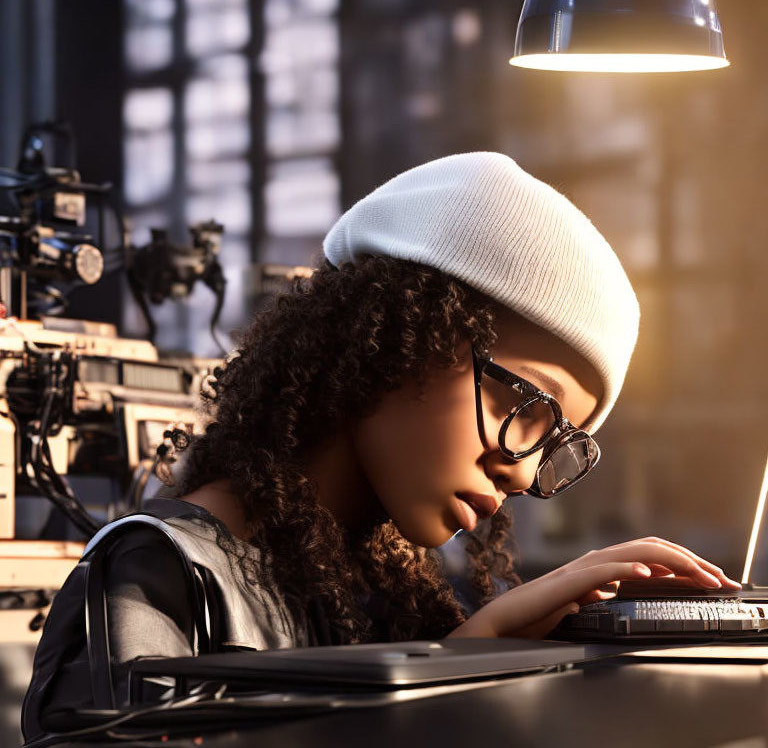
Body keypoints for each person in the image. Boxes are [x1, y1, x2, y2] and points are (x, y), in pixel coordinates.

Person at [22, 152, 740, 741]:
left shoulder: (385, 598)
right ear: (401, 337)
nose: (520, 474)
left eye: (553, 444)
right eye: (524, 405)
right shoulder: (154, 573)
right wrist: (455, 673)